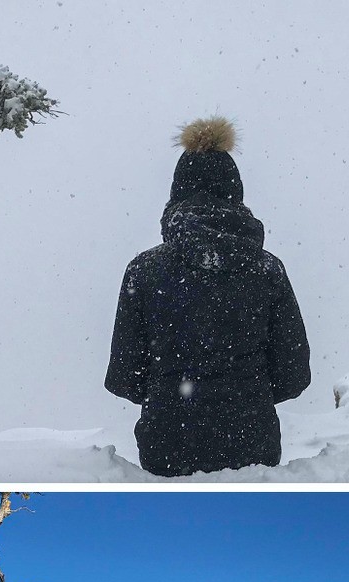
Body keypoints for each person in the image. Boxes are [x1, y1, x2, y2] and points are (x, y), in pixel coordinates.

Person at [104, 116, 311, 477]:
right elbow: (293, 374)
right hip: (252, 447)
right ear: (235, 191)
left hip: (167, 447)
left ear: (177, 193)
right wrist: (246, 398)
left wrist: (171, 396)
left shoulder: (145, 270)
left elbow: (124, 375)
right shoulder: (267, 269)